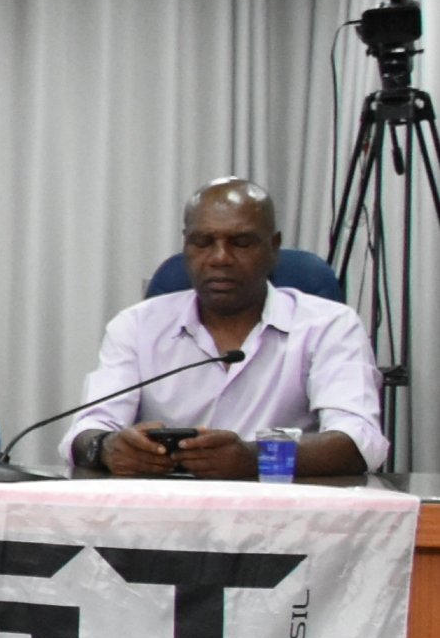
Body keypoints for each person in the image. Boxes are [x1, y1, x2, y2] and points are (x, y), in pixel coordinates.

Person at [62, 178, 384, 478]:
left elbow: (359, 441)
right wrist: (106, 447)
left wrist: (255, 458)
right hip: (166, 508)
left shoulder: (329, 325)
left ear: (273, 247)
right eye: (203, 242)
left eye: (241, 243)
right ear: (186, 245)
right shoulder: (137, 326)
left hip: (283, 510)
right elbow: (87, 429)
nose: (220, 258)